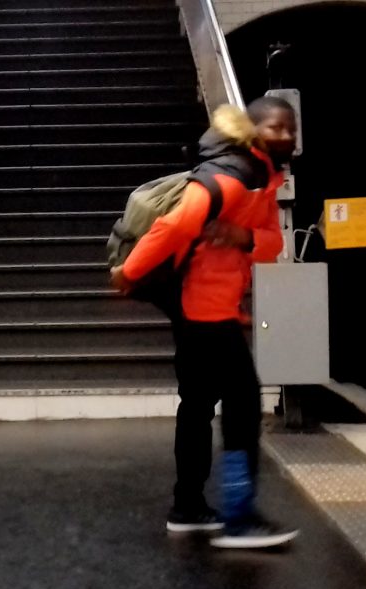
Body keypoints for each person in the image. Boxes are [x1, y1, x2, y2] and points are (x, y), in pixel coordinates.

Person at [111, 97, 300, 548]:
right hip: (205, 309)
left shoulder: (261, 177)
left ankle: (188, 508)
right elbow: (174, 227)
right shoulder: (231, 176)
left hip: (211, 307)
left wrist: (242, 236)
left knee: (197, 405)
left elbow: (272, 244)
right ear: (252, 130)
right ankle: (239, 517)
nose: (286, 135)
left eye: (291, 127)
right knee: (242, 405)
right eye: (276, 127)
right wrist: (128, 273)